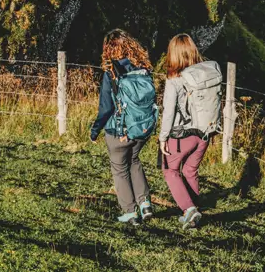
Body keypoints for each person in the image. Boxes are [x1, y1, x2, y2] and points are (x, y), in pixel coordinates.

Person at [90, 29, 159, 225]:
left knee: (120, 169)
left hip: (118, 130)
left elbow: (106, 108)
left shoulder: (111, 73)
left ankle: (130, 212)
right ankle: (145, 203)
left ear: (108, 49)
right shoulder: (144, 68)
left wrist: (95, 130)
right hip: (141, 128)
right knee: (134, 160)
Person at [159, 33, 224, 230]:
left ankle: (189, 210)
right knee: (190, 170)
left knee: (170, 170)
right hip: (204, 133)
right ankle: (194, 210)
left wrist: (163, 137)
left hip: (182, 135)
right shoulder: (206, 74)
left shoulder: (174, 81)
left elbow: (169, 112)